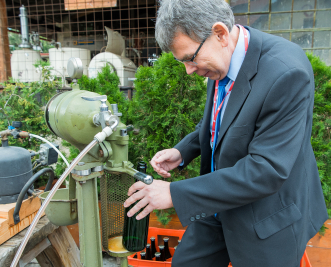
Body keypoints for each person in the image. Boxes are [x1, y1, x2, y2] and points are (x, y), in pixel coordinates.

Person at [124, 0, 328, 266]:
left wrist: (174, 193)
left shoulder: (285, 73)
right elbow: (221, 122)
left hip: (266, 217)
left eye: (190, 58)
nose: (189, 70)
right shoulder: (219, 58)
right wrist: (183, 151)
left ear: (220, 33)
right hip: (217, 205)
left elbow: (266, 169)